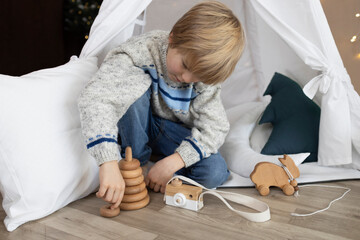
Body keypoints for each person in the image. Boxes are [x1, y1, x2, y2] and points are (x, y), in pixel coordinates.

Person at [78, 1, 245, 210]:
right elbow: (96, 97)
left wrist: (175, 161)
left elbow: (216, 127)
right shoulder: (138, 52)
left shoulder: (204, 78)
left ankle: (154, 170)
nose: (186, 78)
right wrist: (108, 162)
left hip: (168, 132)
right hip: (136, 126)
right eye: (184, 66)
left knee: (215, 173)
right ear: (173, 37)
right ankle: (135, 163)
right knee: (132, 88)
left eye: (197, 77)